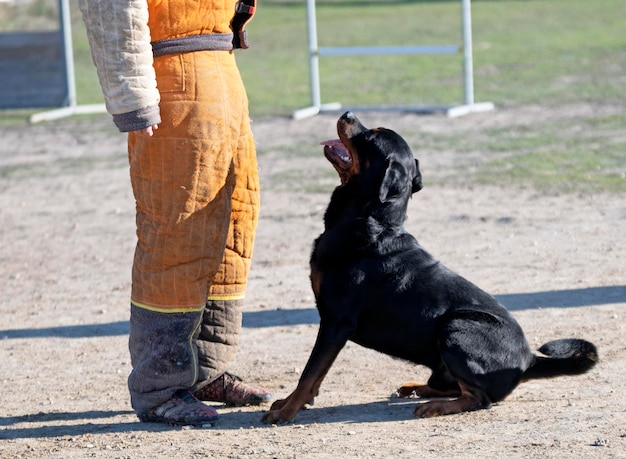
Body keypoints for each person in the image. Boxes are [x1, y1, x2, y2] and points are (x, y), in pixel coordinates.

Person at [79, 0, 271, 425]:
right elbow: (111, 6)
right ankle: (160, 385)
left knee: (233, 224)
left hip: (220, 64)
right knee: (176, 231)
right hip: (174, 75)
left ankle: (206, 369)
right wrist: (132, 95)